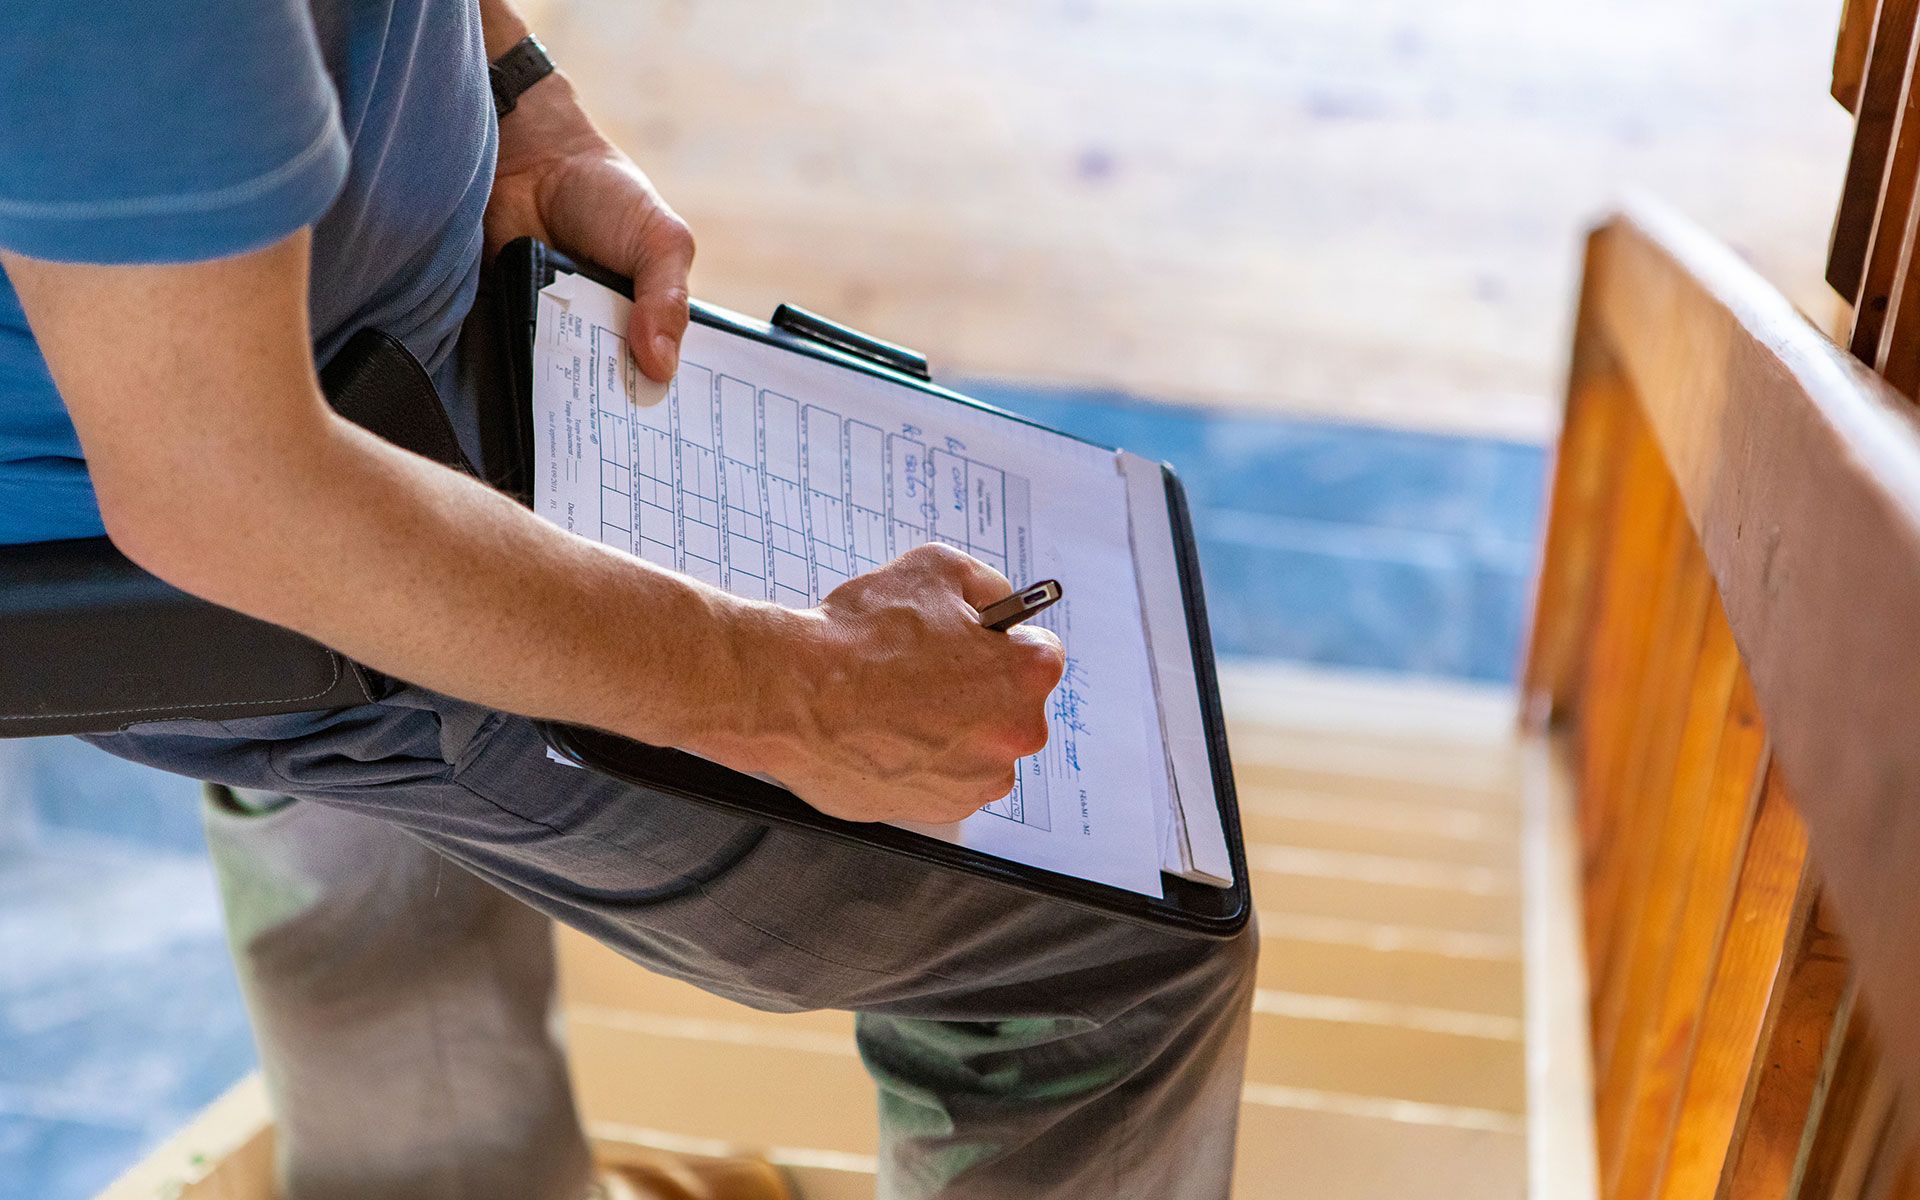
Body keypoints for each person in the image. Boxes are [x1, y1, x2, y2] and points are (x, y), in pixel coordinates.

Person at [0, 2, 1258, 1198]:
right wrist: (798, 692)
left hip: (391, 373)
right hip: (264, 536)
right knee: (1114, 962)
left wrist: (521, 100)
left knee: (381, 784)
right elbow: (228, 497)